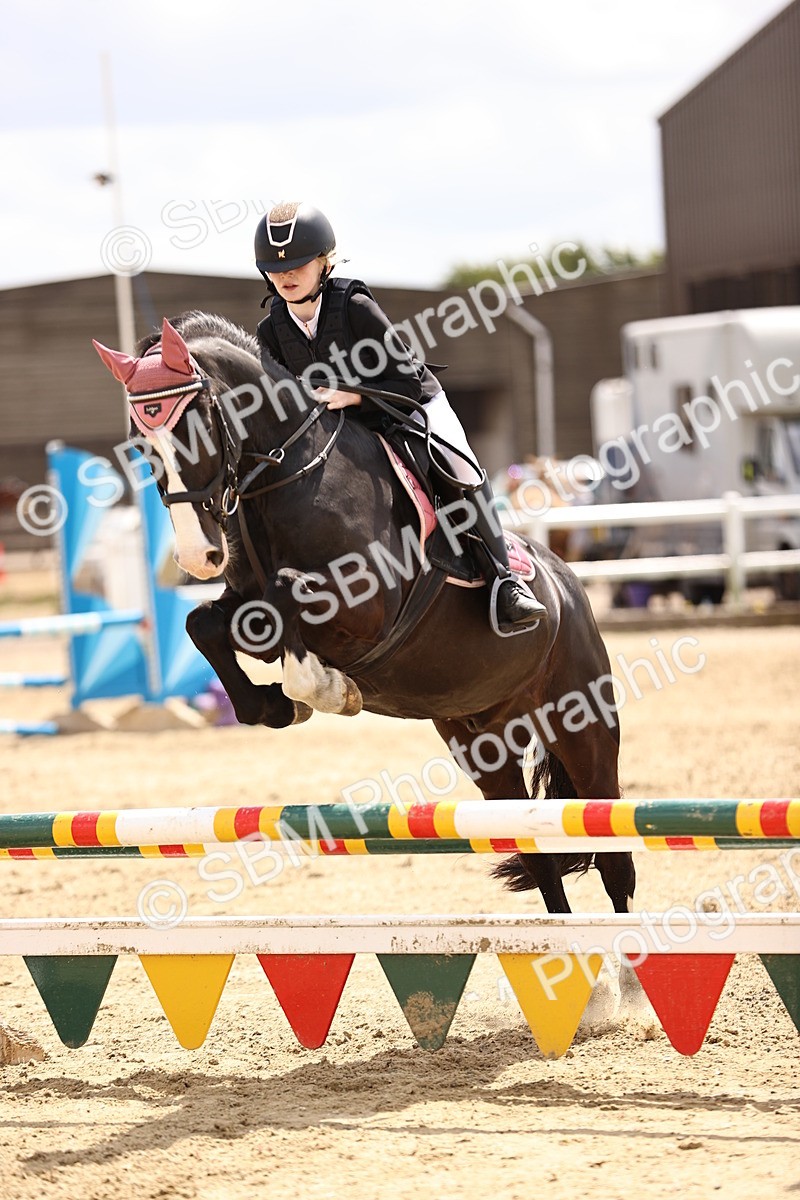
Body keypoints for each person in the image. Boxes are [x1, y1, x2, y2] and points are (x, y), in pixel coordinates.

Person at [253, 201, 548, 633]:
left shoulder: (354, 306)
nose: (287, 276)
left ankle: (505, 581)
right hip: (340, 431)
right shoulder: (270, 331)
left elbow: (408, 383)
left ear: (324, 262)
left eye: (298, 264)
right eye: (276, 269)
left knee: (461, 468)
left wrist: (353, 397)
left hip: (408, 407)